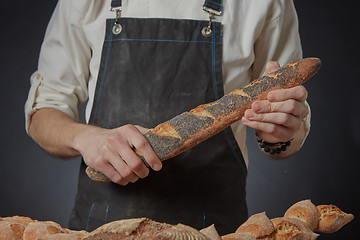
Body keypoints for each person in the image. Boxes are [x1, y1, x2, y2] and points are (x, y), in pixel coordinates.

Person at [24, 0, 310, 235]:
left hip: (215, 229)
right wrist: (85, 137)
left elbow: (289, 125)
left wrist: (279, 133)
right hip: (104, 228)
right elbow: (43, 113)